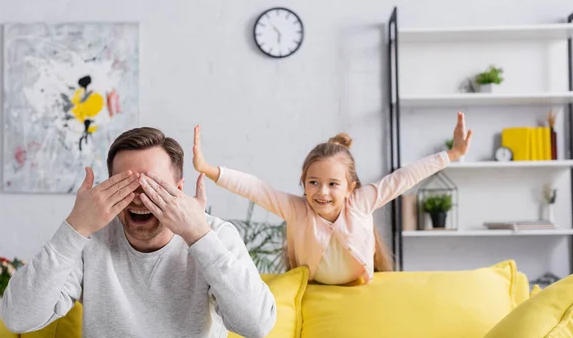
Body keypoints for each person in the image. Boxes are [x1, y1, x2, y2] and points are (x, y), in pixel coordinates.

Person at [2, 127, 277, 338]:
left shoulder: (214, 234)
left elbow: (257, 324)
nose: (139, 197)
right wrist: (74, 228)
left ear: (179, 190)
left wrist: (198, 236)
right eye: (124, 185)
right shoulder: (89, 237)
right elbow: (19, 318)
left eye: (153, 185)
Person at [193, 112, 473, 286]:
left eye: (332, 184)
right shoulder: (296, 210)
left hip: (358, 287)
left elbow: (403, 178)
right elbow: (255, 189)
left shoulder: (361, 203)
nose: (322, 192)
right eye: (313, 182)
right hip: (315, 288)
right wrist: (210, 170)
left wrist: (450, 154)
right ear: (303, 183)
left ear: (350, 188)